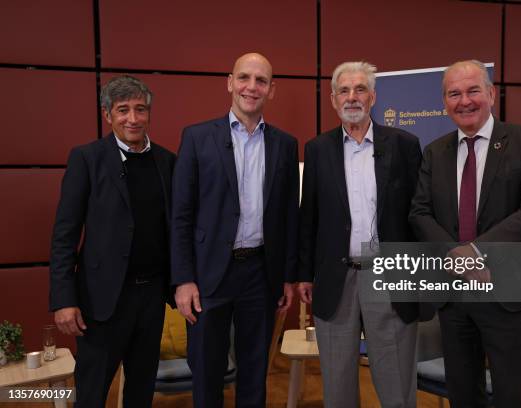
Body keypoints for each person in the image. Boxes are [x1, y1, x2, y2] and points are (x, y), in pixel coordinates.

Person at [410, 59, 521, 408]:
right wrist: (458, 258)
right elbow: (420, 212)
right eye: (454, 94)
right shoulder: (435, 151)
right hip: (456, 296)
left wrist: (477, 251)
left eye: (473, 90)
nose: (464, 101)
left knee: (512, 396)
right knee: (463, 395)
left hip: (509, 294)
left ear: (491, 94)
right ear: (444, 103)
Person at [171, 52, 299, 407]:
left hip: (260, 274)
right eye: (244, 78)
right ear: (230, 83)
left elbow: (289, 216)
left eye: (261, 81)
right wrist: (183, 279)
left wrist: (287, 276)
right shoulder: (197, 138)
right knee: (207, 372)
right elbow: (180, 214)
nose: (251, 87)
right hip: (208, 274)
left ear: (272, 90)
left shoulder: (285, 145)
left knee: (256, 372)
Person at [298, 61, 422, 407]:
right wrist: (304, 274)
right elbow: (309, 216)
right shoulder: (318, 149)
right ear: (333, 100)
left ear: (373, 97)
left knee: (397, 388)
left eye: (360, 89)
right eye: (344, 90)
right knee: (337, 390)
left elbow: (418, 215)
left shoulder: (405, 145)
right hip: (337, 280)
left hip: (389, 278)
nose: (352, 97)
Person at [49, 75, 176, 407]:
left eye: (140, 109)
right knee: (91, 392)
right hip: (102, 300)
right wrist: (64, 298)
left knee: (141, 391)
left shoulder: (167, 161)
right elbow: (65, 233)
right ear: (108, 115)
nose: (132, 119)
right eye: (123, 110)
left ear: (149, 114)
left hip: (152, 297)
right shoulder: (87, 159)